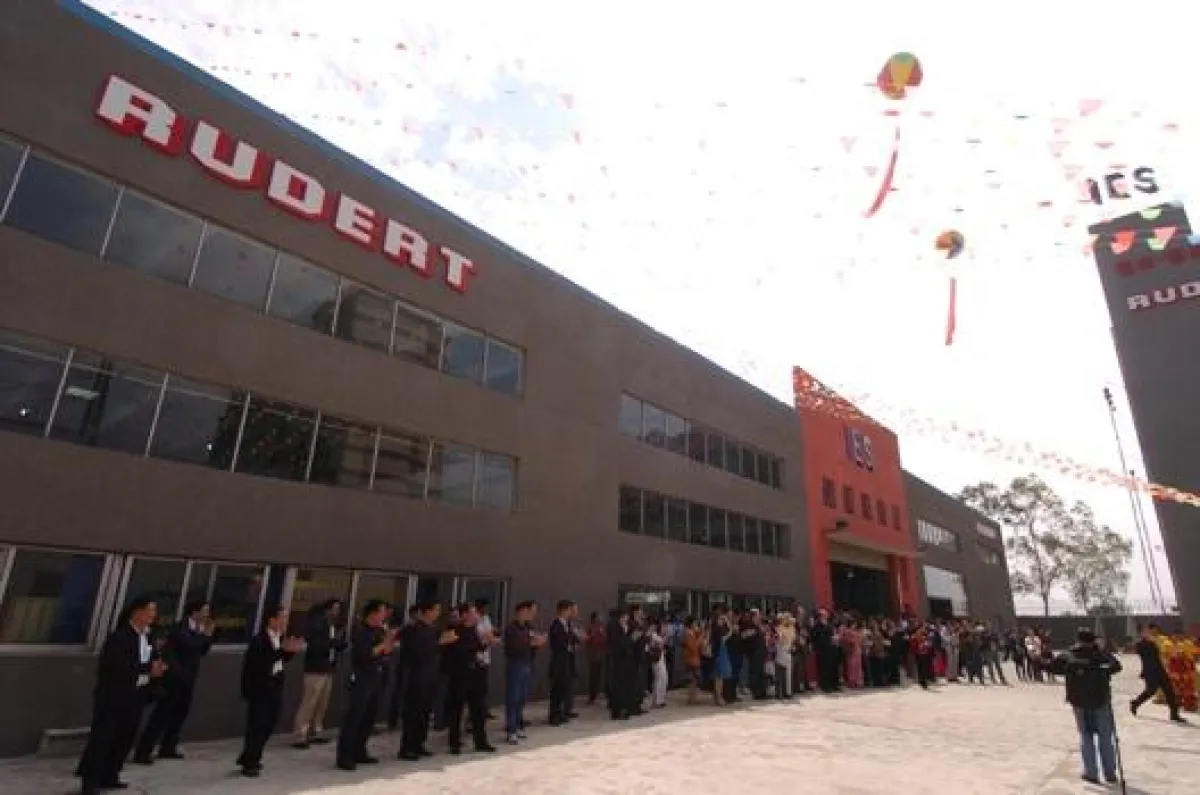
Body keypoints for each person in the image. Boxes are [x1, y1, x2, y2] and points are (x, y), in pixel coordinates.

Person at [77, 595, 166, 795]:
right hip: (114, 696)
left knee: (125, 737)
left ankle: (111, 774)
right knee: (103, 739)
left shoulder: (147, 637)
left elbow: (150, 659)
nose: (153, 615)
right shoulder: (120, 637)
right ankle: (90, 782)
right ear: (137, 612)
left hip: (137, 694)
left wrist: (156, 669)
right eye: (150, 610)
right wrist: (147, 669)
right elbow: (118, 667)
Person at [133, 599, 214, 763]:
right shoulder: (180, 628)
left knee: (180, 714)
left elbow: (201, 650)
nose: (206, 615)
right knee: (162, 715)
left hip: (189, 678)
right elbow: (189, 645)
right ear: (195, 612)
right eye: (204, 611)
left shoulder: (199, 629)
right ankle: (144, 750)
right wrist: (204, 636)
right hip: (174, 678)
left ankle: (168, 746)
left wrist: (207, 637)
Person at [1048, 628, 1123, 786]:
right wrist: (1101, 669)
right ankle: (1110, 773)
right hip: (1101, 700)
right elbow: (1116, 666)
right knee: (1105, 737)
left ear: (1078, 640)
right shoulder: (1102, 654)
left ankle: (1091, 773)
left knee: (1086, 736)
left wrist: (1073, 668)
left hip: (1079, 701)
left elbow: (1053, 668)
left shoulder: (1068, 654)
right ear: (1093, 640)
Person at [236, 604, 304, 778]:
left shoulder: (278, 637)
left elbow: (278, 660)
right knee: (258, 725)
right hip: (260, 689)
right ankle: (250, 761)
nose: (284, 621)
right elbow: (262, 663)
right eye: (281, 617)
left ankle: (250, 755)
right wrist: (283, 651)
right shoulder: (259, 640)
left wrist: (290, 652)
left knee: (269, 723)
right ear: (271, 619)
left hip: (274, 686)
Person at [335, 600, 396, 771]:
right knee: (354, 718)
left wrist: (388, 642)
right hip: (362, 678)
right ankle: (345, 756)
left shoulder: (379, 630)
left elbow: (385, 651)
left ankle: (360, 750)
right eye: (382, 612)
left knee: (368, 718)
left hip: (377, 677)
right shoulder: (360, 630)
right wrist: (384, 644)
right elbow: (365, 654)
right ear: (373, 613)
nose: (384, 615)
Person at [398, 601, 451, 761]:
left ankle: (419, 743)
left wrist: (442, 643)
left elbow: (437, 650)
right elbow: (417, 652)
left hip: (431, 675)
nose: (437, 613)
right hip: (416, 676)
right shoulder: (412, 629)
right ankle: (407, 748)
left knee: (425, 713)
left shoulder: (434, 629)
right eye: (435, 609)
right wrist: (438, 643)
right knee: (413, 713)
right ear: (425, 612)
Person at [442, 602, 497, 754]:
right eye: (472, 612)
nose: (476, 615)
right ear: (464, 614)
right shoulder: (455, 630)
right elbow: (454, 652)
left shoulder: (473, 630)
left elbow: (477, 648)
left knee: (478, 709)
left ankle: (481, 741)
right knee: (456, 710)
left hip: (475, 673)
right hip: (459, 674)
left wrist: (485, 643)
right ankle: (454, 743)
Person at [293, 599, 346, 748]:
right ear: (327, 610)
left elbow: (335, 644)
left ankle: (317, 730)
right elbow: (317, 644)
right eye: (334, 609)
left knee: (322, 702)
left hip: (329, 668)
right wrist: (334, 643)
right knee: (309, 702)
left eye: (338, 609)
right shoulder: (317, 624)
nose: (337, 612)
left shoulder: (333, 627)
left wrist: (340, 644)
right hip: (315, 668)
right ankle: (300, 734)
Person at [503, 601, 542, 743]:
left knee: (522, 697)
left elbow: (532, 643)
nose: (534, 614)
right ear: (523, 610)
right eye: (532, 610)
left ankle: (518, 725)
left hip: (527, 663)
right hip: (515, 664)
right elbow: (513, 647)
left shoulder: (529, 626)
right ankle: (511, 729)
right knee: (513, 697)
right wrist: (530, 642)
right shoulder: (511, 628)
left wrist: (537, 643)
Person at [1130, 623, 1186, 722]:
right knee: (1150, 691)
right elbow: (1140, 653)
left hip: (1160, 670)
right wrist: (1146, 640)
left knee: (1170, 691)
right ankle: (1135, 703)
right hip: (1150, 672)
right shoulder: (1139, 644)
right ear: (1141, 633)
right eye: (1145, 631)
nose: (1148, 632)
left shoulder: (1153, 642)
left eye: (1148, 630)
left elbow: (1161, 653)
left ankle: (1174, 714)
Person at [547, 599, 579, 725]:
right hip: (559, 662)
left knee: (563, 689)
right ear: (563, 610)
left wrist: (574, 642)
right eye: (569, 610)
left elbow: (573, 639)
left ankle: (560, 713)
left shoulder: (567, 624)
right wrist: (569, 645)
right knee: (557, 690)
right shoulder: (556, 625)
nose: (571, 613)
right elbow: (558, 643)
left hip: (567, 661)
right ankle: (553, 715)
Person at [584, 612, 607, 705]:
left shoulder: (602, 628)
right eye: (599, 618)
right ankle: (592, 696)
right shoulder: (590, 628)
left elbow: (606, 640)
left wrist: (603, 634)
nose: (600, 620)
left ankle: (597, 693)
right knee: (593, 676)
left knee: (599, 675)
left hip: (601, 654)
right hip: (594, 655)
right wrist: (598, 634)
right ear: (594, 619)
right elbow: (589, 640)